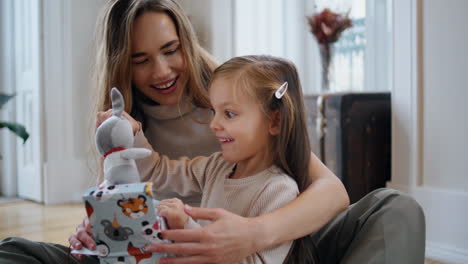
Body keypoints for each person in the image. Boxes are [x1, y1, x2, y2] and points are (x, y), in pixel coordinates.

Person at [0, 0, 425, 263]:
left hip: (273, 247)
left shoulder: (238, 97)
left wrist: (251, 235)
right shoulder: (124, 132)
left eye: (170, 50)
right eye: (141, 59)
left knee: (396, 209)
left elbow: (331, 192)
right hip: (167, 255)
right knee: (16, 251)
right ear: (121, 64)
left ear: (186, 40)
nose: (162, 71)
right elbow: (134, 193)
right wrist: (93, 229)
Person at [141, 54, 319, 263]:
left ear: (275, 121)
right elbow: (161, 172)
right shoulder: (217, 166)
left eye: (229, 114)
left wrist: (186, 225)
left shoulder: (278, 190)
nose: (214, 124)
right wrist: (132, 134)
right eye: (214, 111)